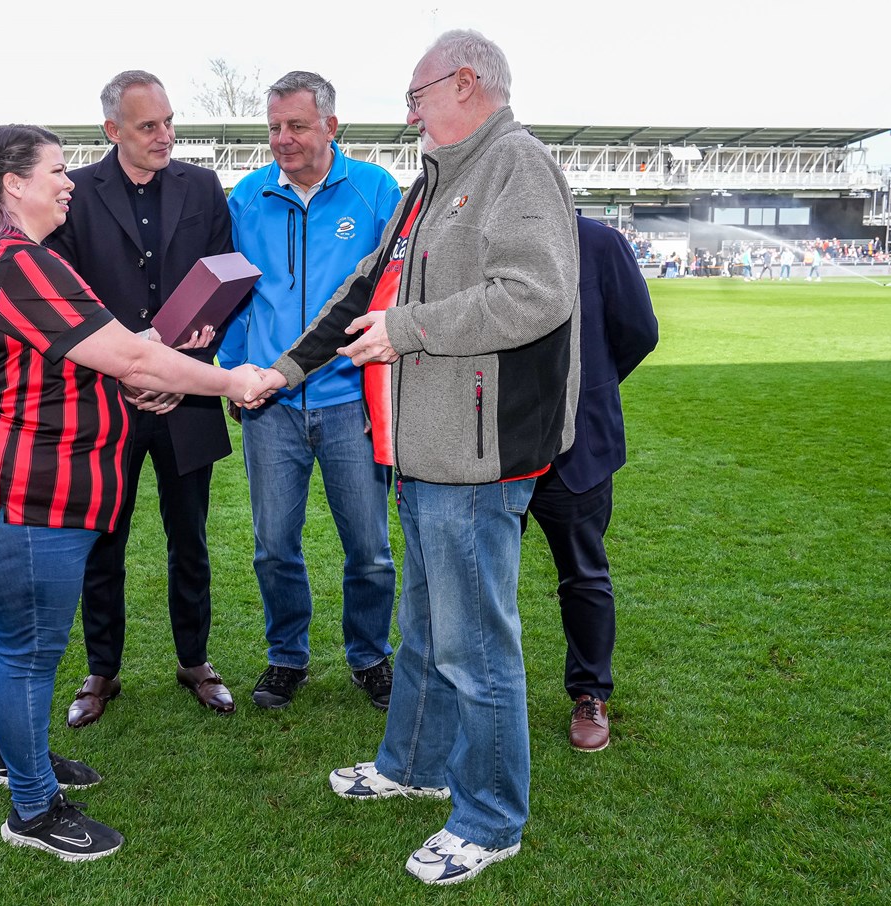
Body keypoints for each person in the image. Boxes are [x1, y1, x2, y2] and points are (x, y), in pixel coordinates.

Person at [243, 30, 579, 886]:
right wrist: (279, 373)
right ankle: (413, 767)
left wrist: (409, 330)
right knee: (426, 634)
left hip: (476, 457)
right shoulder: (433, 181)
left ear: (466, 84)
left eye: (416, 94)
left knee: (476, 648)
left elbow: (535, 293)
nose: (409, 112)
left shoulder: (514, 163)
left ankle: (491, 818)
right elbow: (364, 290)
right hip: (423, 453)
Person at [0, 124, 265, 862]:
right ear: (12, 183)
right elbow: (124, 350)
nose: (67, 183)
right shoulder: (17, 261)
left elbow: (108, 347)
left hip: (22, 487)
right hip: (20, 492)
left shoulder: (13, 256)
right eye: (54, 171)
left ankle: (19, 761)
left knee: (16, 644)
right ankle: (31, 808)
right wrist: (227, 380)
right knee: (28, 650)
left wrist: (138, 368)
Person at [47, 70, 237, 726]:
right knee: (104, 540)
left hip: (185, 396)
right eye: (148, 126)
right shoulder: (75, 192)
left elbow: (225, 279)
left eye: (167, 121)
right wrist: (128, 370)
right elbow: (67, 297)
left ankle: (195, 660)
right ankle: (102, 669)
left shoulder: (202, 185)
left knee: (190, 538)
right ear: (112, 131)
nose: (165, 135)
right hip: (107, 399)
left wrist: (182, 366)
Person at [220, 70, 399, 711]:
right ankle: (286, 656)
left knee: (370, 549)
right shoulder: (247, 197)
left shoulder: (377, 190)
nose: (282, 139)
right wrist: (236, 375)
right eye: (273, 127)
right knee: (274, 546)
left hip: (350, 400)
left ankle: (371, 656)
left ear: (330, 124)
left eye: (296, 125)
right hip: (269, 403)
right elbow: (236, 297)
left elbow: (391, 293)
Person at [525, 215, 657, 754]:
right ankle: (474, 694)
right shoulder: (479, 234)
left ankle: (590, 694)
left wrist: (589, 386)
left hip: (577, 447)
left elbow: (638, 332)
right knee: (478, 576)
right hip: (488, 447)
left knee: (583, 574)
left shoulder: (598, 241)